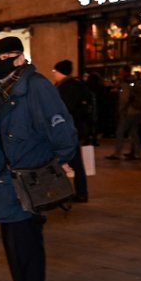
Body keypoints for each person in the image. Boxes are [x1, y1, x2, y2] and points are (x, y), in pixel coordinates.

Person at [0, 36, 77, 281]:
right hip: (10, 183)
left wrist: (56, 164)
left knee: (28, 246)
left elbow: (61, 128)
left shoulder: (35, 86)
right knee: (14, 244)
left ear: (20, 58)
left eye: (5, 58)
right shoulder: (9, 90)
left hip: (28, 181)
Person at [51, 59, 92, 202]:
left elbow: (64, 111)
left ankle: (78, 193)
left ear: (59, 72)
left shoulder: (66, 87)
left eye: (54, 71)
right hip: (75, 129)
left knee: (71, 161)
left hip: (69, 130)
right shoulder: (74, 85)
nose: (53, 74)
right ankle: (79, 192)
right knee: (74, 162)